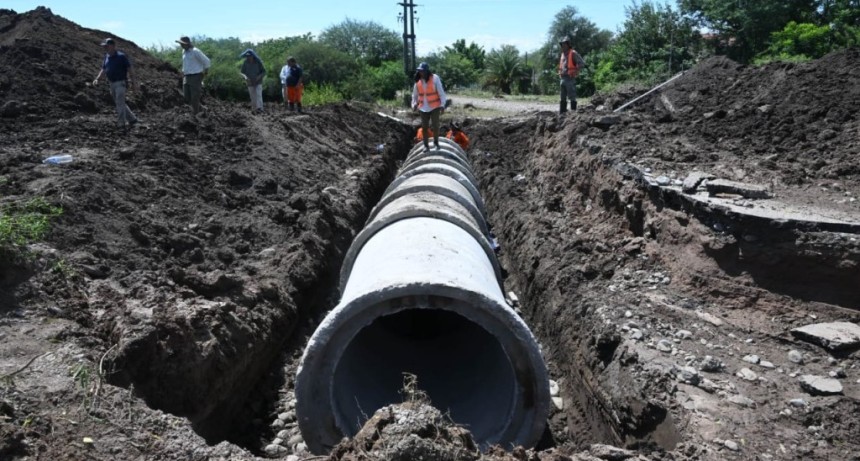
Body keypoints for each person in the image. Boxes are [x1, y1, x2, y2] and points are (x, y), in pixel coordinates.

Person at [92, 38, 139, 130]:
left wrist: (134, 83)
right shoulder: (106, 56)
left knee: (119, 102)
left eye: (106, 46)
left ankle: (121, 124)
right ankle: (132, 119)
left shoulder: (121, 57)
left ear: (113, 46)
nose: (105, 48)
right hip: (111, 83)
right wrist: (97, 79)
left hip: (120, 83)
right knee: (120, 102)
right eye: (104, 46)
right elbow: (104, 69)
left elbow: (130, 70)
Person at [411, 62, 447, 151]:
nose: (421, 73)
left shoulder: (435, 78)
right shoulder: (418, 81)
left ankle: (436, 143)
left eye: (423, 71)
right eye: (420, 71)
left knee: (435, 125)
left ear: (427, 71)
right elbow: (414, 96)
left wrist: (442, 105)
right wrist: (414, 104)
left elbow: (441, 93)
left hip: (435, 106)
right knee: (424, 127)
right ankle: (426, 146)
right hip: (423, 107)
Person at [176, 36, 211, 119]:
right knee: (187, 97)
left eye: (182, 44)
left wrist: (205, 72)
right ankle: (203, 109)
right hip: (187, 76)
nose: (181, 45)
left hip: (196, 76)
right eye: (180, 44)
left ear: (187, 44)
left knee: (195, 97)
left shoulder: (195, 51)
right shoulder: (184, 52)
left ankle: (196, 116)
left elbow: (207, 61)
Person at [558, 36, 585, 114]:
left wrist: (575, 70)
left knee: (572, 97)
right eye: (562, 44)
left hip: (570, 78)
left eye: (564, 44)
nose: (563, 46)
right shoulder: (563, 54)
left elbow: (581, 63)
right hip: (562, 78)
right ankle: (562, 114)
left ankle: (573, 114)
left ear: (568, 44)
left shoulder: (573, 53)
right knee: (562, 97)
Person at [240, 49, 266, 114]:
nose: (248, 57)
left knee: (258, 94)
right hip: (249, 82)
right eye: (247, 56)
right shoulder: (245, 62)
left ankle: (260, 109)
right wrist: (245, 77)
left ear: (253, 55)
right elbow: (241, 72)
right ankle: (254, 109)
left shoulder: (258, 62)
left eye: (249, 56)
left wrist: (259, 77)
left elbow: (264, 72)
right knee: (252, 96)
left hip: (258, 81)